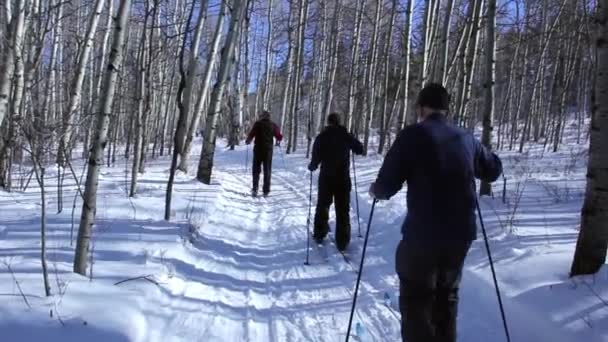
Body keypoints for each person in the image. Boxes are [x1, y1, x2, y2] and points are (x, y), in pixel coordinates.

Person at [369, 83, 503, 342]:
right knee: (447, 299)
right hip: (459, 235)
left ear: (421, 108)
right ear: (446, 110)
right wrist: (486, 156)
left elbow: (387, 186)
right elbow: (493, 170)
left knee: (417, 301)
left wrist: (376, 190)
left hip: (423, 235)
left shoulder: (412, 136)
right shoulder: (465, 137)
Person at [308, 113, 364, 252]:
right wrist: (355, 142)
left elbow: (316, 158)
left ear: (328, 122)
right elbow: (360, 149)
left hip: (326, 178)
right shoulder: (346, 135)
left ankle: (320, 233)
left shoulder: (322, 137)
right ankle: (343, 241)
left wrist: (312, 166)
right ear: (339, 122)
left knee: (323, 205)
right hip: (343, 179)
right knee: (342, 209)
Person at [246, 111, 283, 197]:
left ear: (262, 116)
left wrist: (248, 141)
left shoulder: (257, 124)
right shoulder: (273, 125)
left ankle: (255, 189)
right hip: (268, 151)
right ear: (269, 117)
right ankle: (266, 190)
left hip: (258, 149)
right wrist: (279, 137)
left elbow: (251, 134)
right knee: (267, 170)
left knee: (256, 169)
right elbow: (279, 137)